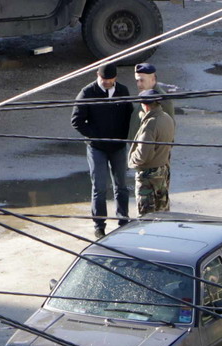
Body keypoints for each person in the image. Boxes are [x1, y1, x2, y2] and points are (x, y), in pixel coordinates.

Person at [70, 64, 135, 237]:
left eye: (110, 80)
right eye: (103, 79)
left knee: (121, 185)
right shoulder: (87, 93)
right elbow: (76, 120)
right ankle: (99, 225)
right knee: (99, 187)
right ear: (97, 75)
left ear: (116, 78)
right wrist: (94, 136)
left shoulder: (123, 91)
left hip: (118, 147)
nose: (107, 82)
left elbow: (130, 115)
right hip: (96, 148)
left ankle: (123, 220)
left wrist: (126, 138)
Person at [128, 92, 176, 216]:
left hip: (148, 178)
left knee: (146, 217)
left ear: (146, 106)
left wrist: (131, 160)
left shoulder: (150, 124)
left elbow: (143, 155)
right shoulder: (167, 118)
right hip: (163, 171)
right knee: (162, 213)